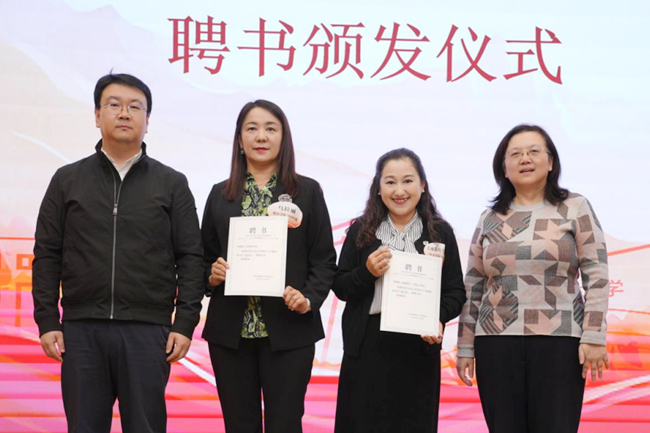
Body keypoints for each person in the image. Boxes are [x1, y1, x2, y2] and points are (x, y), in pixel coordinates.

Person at [32, 73, 204, 433]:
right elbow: (47, 254)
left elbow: (190, 257)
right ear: (97, 115)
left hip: (148, 332)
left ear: (147, 120)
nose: (124, 113)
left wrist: (185, 323)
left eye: (134, 107)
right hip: (81, 329)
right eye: (114, 105)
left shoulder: (171, 183)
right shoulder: (67, 180)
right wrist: (47, 321)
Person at [455, 124, 610, 433]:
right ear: (504, 168)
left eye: (533, 151)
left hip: (560, 343)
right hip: (496, 344)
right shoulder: (489, 218)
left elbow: (597, 273)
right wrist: (465, 347)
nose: (525, 158)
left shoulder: (575, 207)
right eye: (515, 154)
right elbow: (473, 285)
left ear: (550, 162)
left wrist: (594, 335)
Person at [200, 99, 336, 433]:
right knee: (239, 425)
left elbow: (323, 260)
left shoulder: (307, 192)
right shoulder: (220, 195)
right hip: (230, 334)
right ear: (239, 139)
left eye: (270, 128)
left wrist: (308, 298)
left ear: (283, 138)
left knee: (285, 424)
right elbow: (201, 258)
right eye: (252, 128)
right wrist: (211, 275)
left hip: (289, 331)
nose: (261, 136)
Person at [333, 148, 466, 433]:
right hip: (367, 345)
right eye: (390, 182)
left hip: (418, 346)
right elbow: (341, 286)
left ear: (422, 185)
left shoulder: (440, 233)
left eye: (408, 181)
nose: (399, 190)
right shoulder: (361, 231)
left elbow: (455, 292)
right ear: (378, 188)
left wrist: (437, 318)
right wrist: (366, 272)